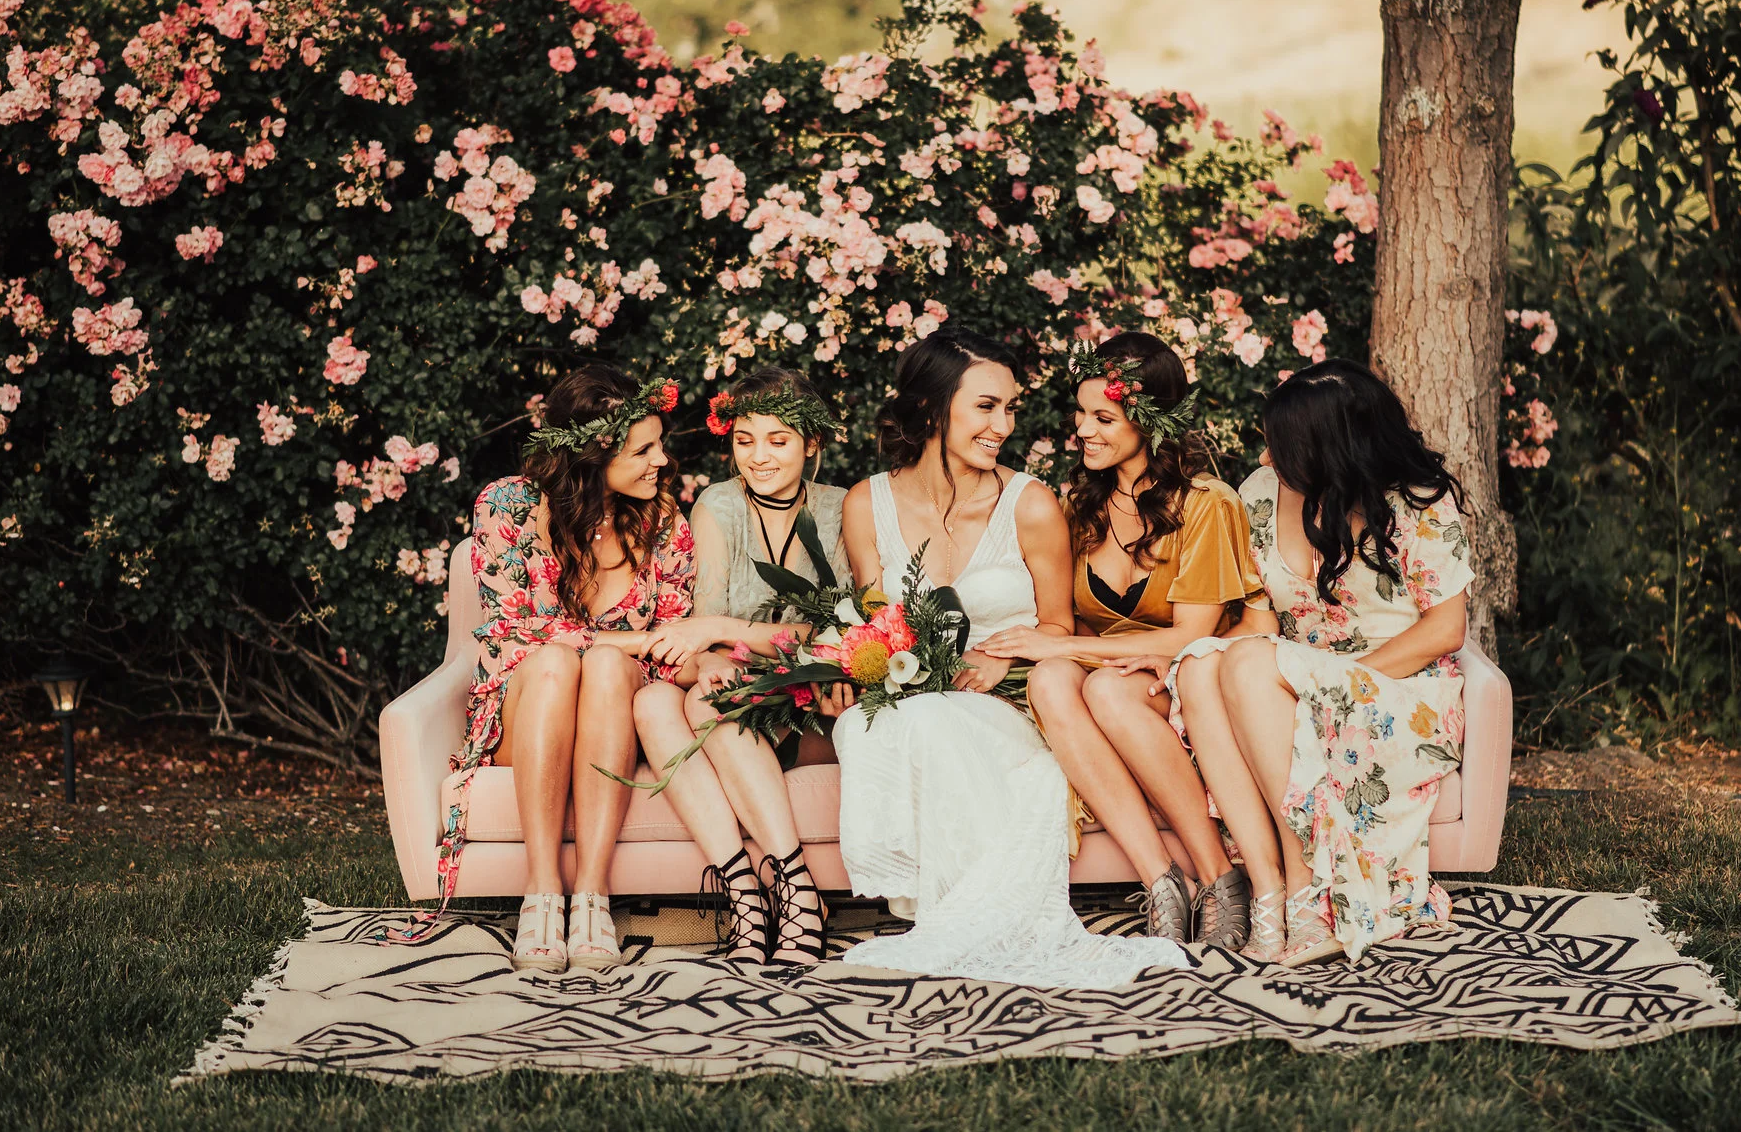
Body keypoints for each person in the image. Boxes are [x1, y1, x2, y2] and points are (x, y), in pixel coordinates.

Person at [827, 327, 1189, 987]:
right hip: (918, 701)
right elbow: (875, 625)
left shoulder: (1030, 504)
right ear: (934, 409)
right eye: (987, 406)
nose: (1004, 423)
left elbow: (1057, 624)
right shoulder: (865, 503)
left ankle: (977, 915)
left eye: (1011, 407)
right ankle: (942, 904)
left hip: (1013, 701)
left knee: (933, 722)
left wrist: (1001, 662)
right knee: (867, 722)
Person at [1145, 360, 1472, 965]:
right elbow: (1262, 620)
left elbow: (1444, 630)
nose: (1266, 459)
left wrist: (1334, 681)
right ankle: (1268, 888)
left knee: (1245, 666)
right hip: (1286, 670)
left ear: (1329, 453)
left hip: (1396, 687)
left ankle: (1309, 896)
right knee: (1201, 666)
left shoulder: (1419, 502)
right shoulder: (1260, 496)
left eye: (1282, 448)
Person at [981, 333, 1264, 950]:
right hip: (1115, 671)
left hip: (1187, 675)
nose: (1083, 430)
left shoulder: (1206, 503)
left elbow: (1192, 632)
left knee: (1097, 685)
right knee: (1049, 679)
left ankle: (1219, 878)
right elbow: (1079, 631)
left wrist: (1058, 647)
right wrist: (1054, 652)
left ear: (1150, 421)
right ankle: (1161, 881)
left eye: (1102, 417)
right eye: (1080, 414)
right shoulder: (1082, 504)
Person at [444, 367, 694, 972]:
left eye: (660, 443)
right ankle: (541, 895)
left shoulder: (666, 526)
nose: (661, 459)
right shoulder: (506, 506)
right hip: (528, 710)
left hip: (616, 716)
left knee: (606, 667)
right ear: (592, 453)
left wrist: (631, 649)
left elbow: (676, 638)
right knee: (554, 663)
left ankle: (592, 898)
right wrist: (635, 640)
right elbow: (514, 628)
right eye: (643, 449)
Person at [631, 367, 851, 964]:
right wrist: (718, 648)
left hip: (813, 701)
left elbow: (840, 633)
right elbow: (701, 636)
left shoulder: (840, 509)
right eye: (745, 439)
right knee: (652, 700)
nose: (758, 457)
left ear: (813, 443)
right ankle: (754, 895)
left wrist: (728, 635)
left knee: (704, 701)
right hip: (736, 690)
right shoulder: (719, 506)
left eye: (778, 440)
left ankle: (791, 891)